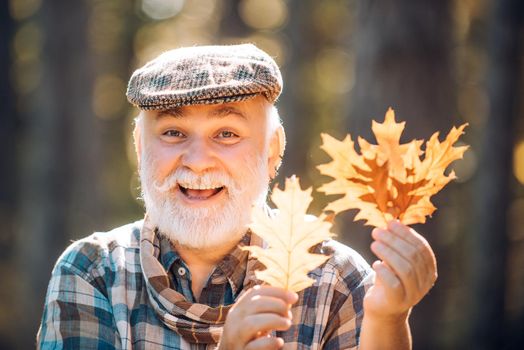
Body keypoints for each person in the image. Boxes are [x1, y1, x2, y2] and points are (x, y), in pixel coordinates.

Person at [37, 44, 437, 349]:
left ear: (272, 150)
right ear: (140, 148)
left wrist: (388, 319)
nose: (196, 162)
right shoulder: (92, 272)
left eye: (226, 134)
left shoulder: (337, 281)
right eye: (173, 133)